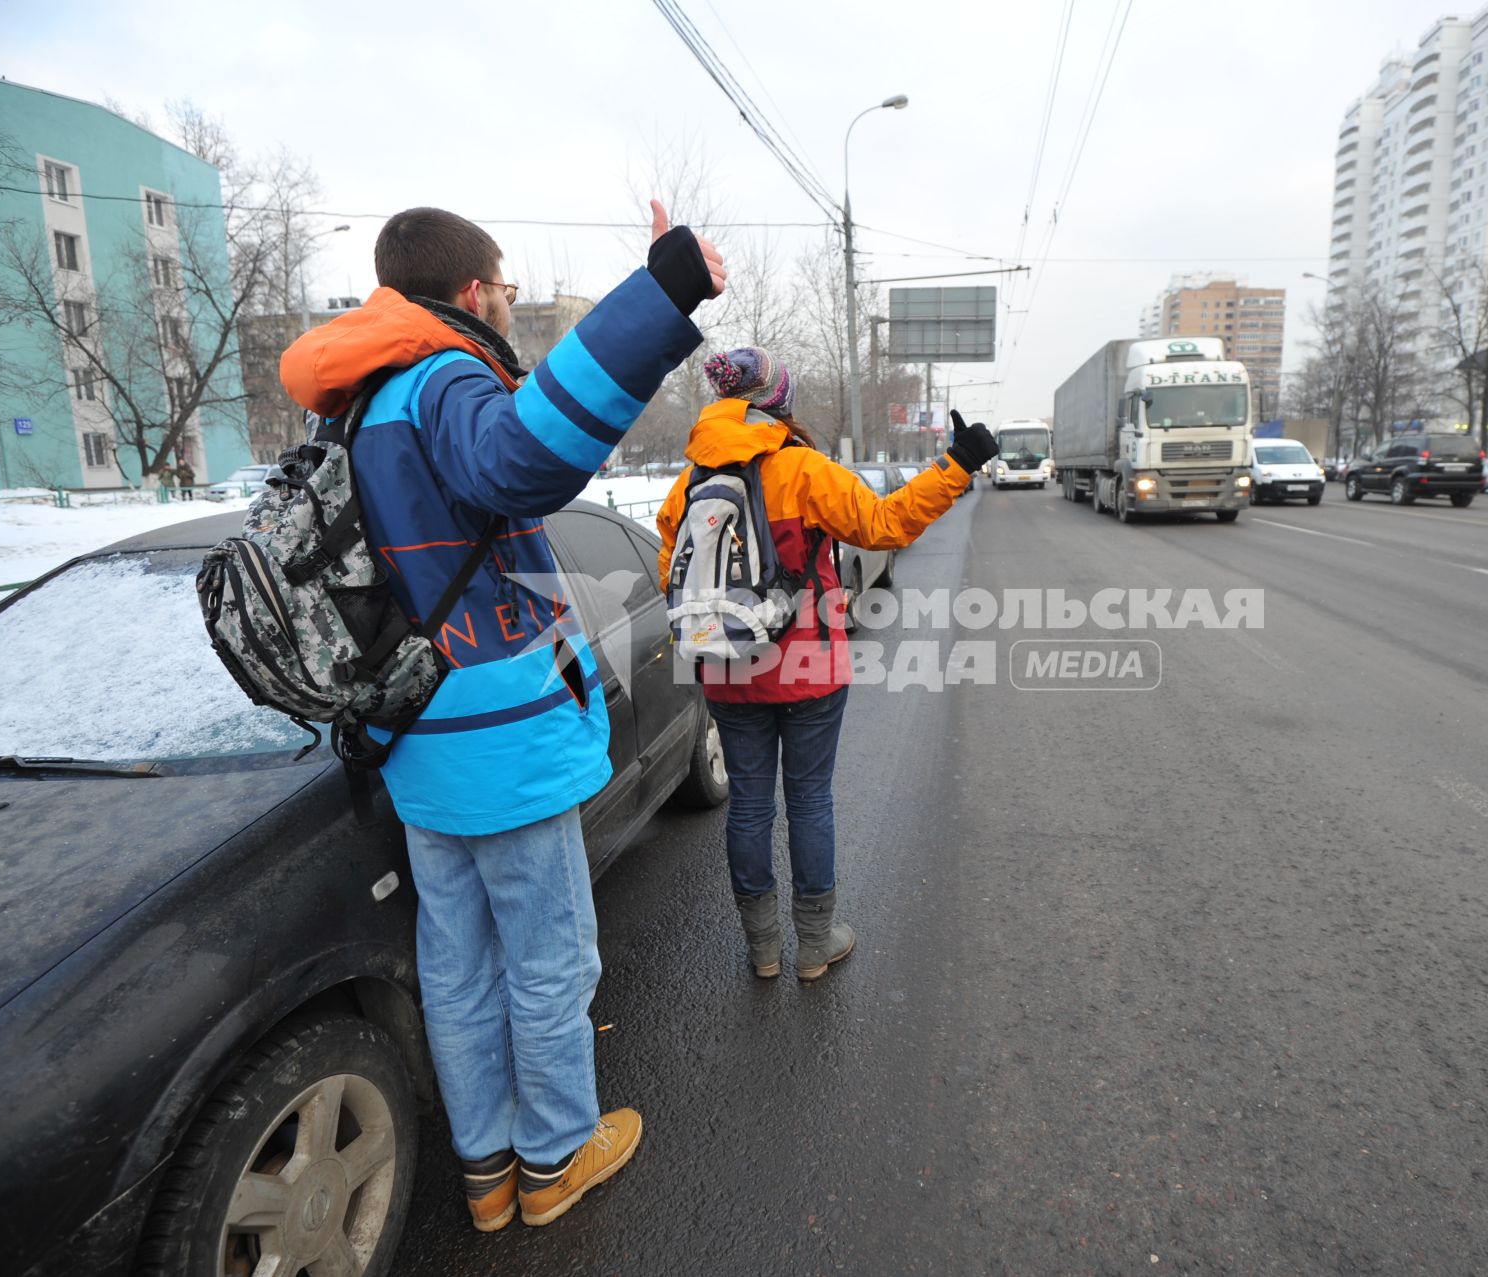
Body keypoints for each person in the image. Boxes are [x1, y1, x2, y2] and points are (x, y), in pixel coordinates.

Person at [279, 201, 724, 1232]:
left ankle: (486, 1168)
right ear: (475, 291)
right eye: (509, 289)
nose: (511, 305)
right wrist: (661, 293)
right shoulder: (444, 379)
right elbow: (526, 457)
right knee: (550, 954)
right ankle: (559, 1153)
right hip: (498, 735)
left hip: (415, 731)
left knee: (460, 962)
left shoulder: (354, 405)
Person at [654, 349, 997, 980]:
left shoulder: (687, 487)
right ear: (777, 402)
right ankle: (815, 943)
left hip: (727, 667)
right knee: (809, 799)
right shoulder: (803, 470)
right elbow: (887, 524)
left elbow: (669, 577)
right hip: (808, 664)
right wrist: (957, 465)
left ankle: (762, 950)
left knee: (750, 805)